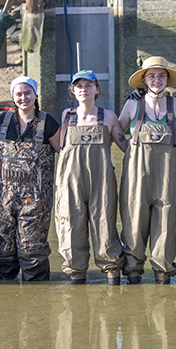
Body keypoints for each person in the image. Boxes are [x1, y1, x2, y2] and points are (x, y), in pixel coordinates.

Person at [117, 56, 176, 284]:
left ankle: (163, 275)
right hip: (137, 180)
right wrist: (131, 151)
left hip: (167, 180)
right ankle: (133, 275)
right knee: (134, 228)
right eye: (151, 75)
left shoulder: (175, 105)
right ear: (144, 80)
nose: (157, 79)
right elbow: (116, 134)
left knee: (166, 228)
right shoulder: (132, 105)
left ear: (167, 79)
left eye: (161, 75)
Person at [54, 70, 127, 284]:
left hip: (101, 183)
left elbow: (127, 149)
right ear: (73, 91)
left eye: (88, 85)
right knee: (71, 227)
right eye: (79, 86)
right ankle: (76, 276)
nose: (83, 89)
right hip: (70, 184)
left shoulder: (109, 116)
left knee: (104, 226)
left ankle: (112, 274)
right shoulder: (67, 116)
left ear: (97, 89)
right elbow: (60, 148)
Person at [0, 76, 61, 281]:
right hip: (2, 198)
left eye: (28, 93)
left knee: (33, 248)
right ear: (13, 97)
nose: (24, 98)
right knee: (3, 246)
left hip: (36, 201)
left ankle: (36, 294)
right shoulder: (2, 121)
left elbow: (65, 153)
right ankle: (5, 292)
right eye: (19, 94)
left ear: (36, 94)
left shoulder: (49, 122)